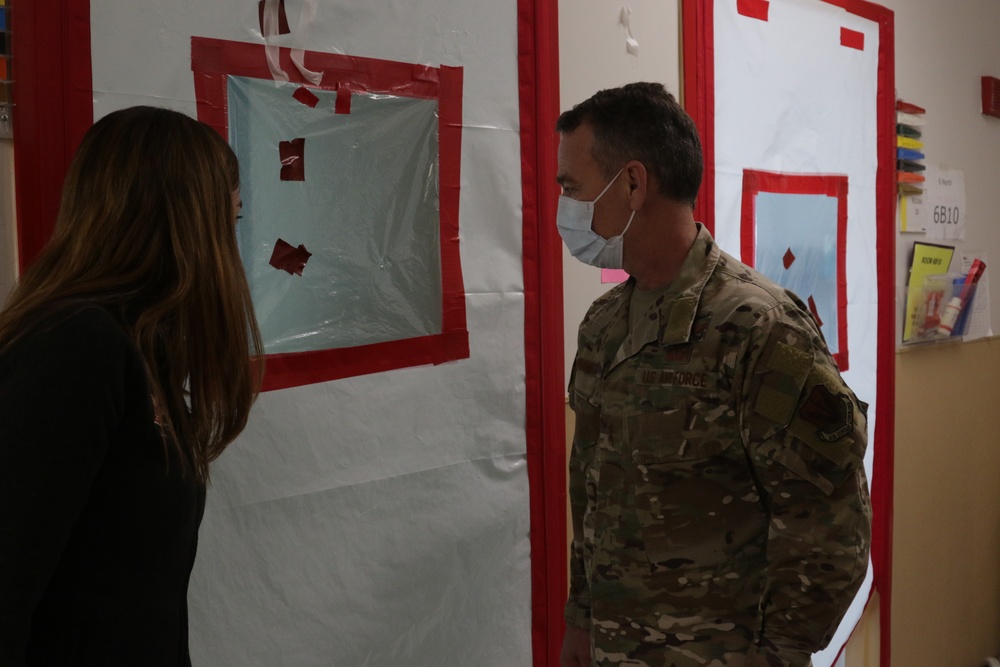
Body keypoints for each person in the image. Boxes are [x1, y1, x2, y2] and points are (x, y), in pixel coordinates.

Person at [556, 82, 871, 667]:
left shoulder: (760, 329)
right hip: (615, 646)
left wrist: (780, 654)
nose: (564, 209)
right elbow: (592, 487)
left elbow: (829, 521)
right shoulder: (603, 325)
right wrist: (583, 618)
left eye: (571, 189)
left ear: (631, 184)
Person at [0, 106, 263, 666]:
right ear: (188, 221)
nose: (232, 245)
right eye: (232, 218)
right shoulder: (75, 343)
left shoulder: (138, 348)